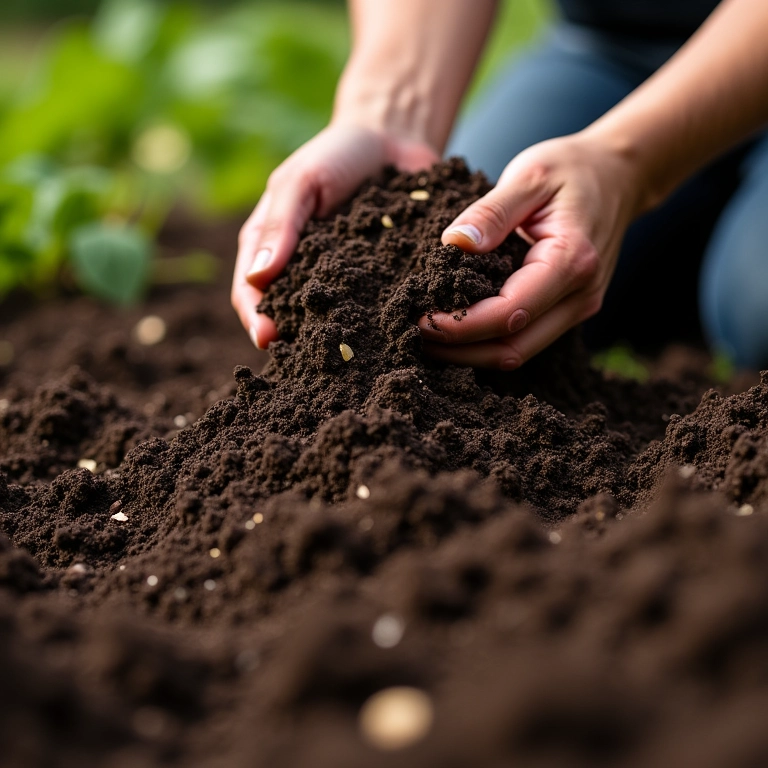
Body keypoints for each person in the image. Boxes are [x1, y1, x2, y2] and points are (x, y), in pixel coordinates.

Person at [232, 0, 768, 372]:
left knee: (756, 307)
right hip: (609, 53)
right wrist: (386, 116)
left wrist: (628, 164)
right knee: (485, 273)